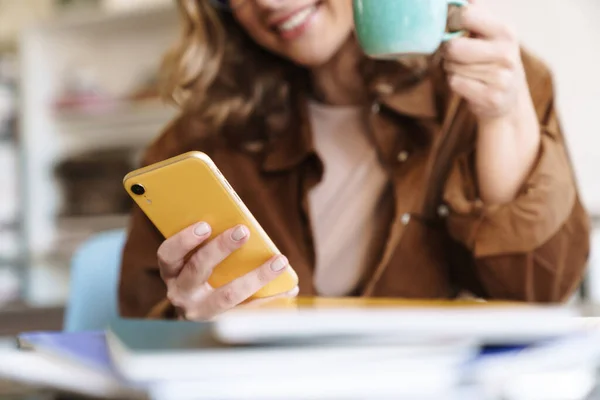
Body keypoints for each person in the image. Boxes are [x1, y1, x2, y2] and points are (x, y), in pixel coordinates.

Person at [118, 0, 590, 321]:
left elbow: (537, 292)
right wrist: (188, 319)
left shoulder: (492, 83)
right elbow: (140, 322)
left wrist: (502, 119)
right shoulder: (196, 141)